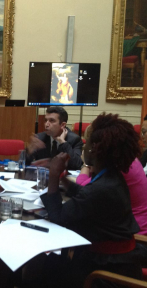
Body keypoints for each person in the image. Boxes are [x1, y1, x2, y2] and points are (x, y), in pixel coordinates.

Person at [39, 113, 142, 287]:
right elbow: (87, 194)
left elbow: (58, 218)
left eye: (87, 144)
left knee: (44, 270)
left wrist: (54, 176)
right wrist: (64, 178)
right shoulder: (112, 177)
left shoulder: (101, 188)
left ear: (95, 149)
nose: (84, 147)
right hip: (120, 260)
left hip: (104, 273)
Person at [77, 124, 147, 235]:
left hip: (134, 232)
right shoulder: (126, 158)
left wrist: (86, 164)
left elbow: (81, 188)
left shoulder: (118, 165)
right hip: (130, 223)